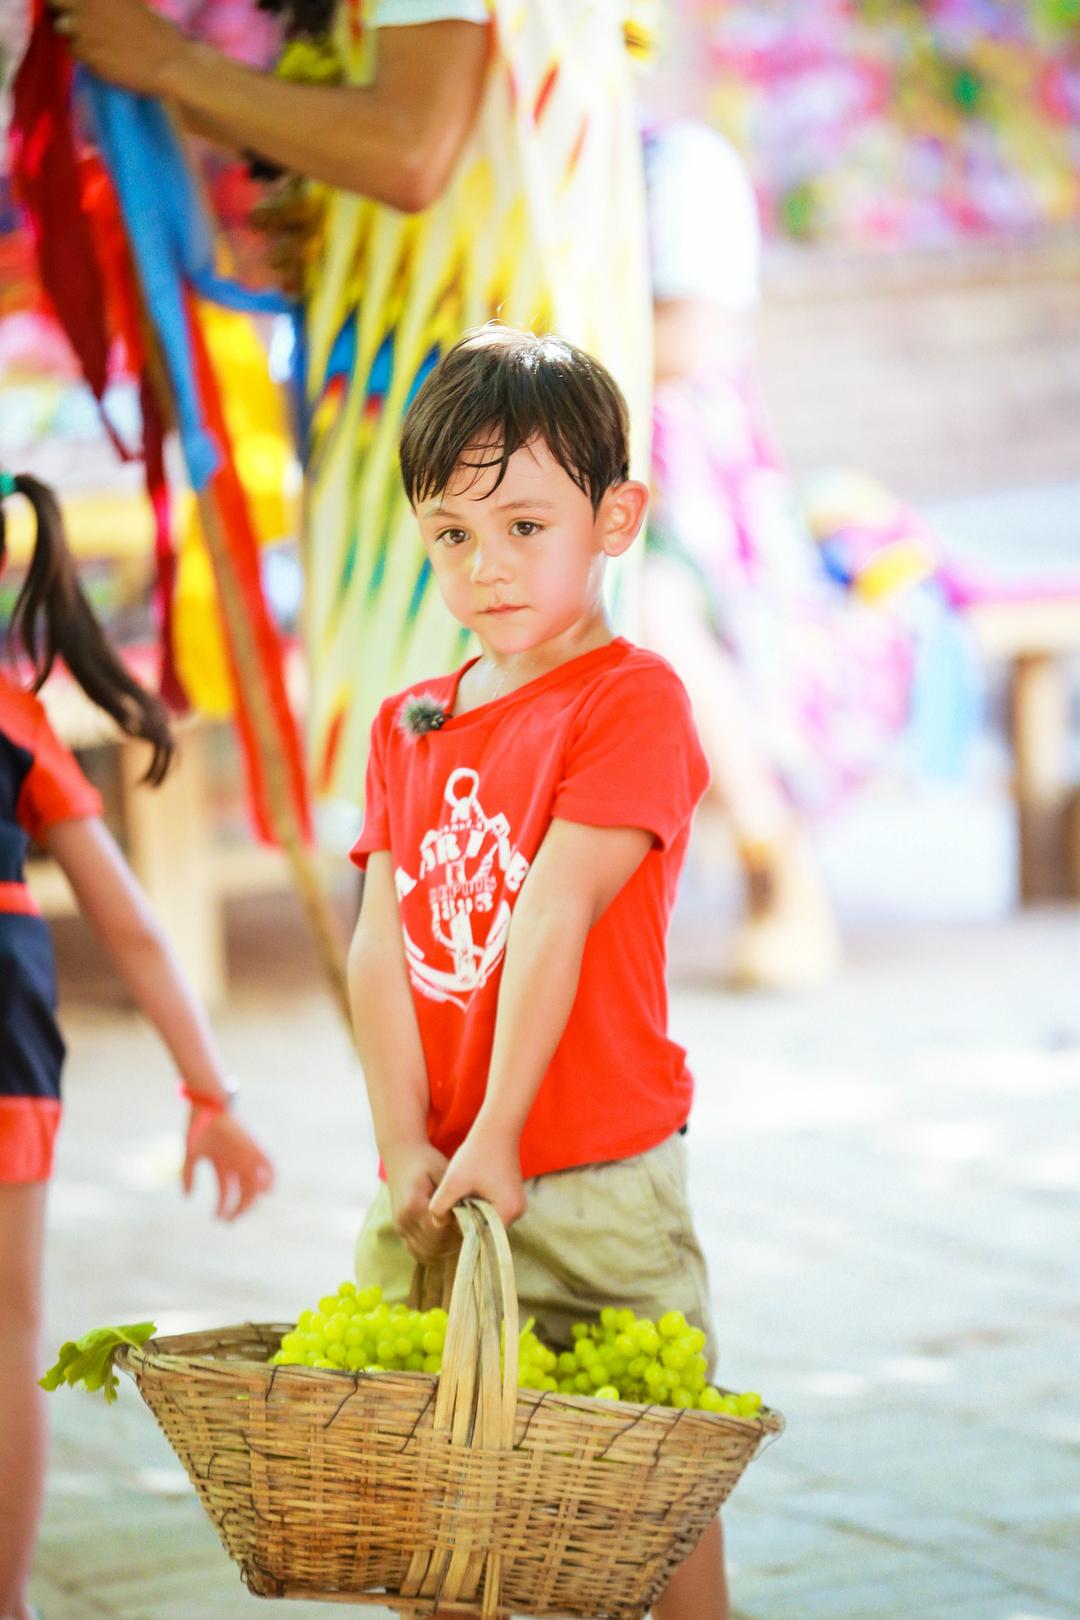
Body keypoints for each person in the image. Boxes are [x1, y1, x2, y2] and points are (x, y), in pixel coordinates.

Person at [54, 0, 653, 846]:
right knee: (464, 824)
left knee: (470, 830)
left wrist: (172, 66)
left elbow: (408, 148)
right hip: (481, 433)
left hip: (486, 441)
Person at [346, 326, 729, 1620]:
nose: (488, 565)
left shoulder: (631, 701)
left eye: (524, 524)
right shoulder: (413, 722)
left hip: (595, 1170)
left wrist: (504, 1129)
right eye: (453, 534)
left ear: (615, 517)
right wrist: (407, 1140)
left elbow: (556, 914)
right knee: (433, 1510)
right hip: (447, 1180)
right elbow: (379, 945)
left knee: (654, 1501)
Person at [0, 472, 274, 1620]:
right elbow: (137, 928)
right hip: (6, 1041)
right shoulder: (11, 715)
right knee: (9, 1324)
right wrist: (209, 1093)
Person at [641, 122, 914, 989]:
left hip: (685, 481)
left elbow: (685, 344)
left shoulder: (680, 163)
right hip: (571, 458)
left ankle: (778, 862)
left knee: (656, 607)